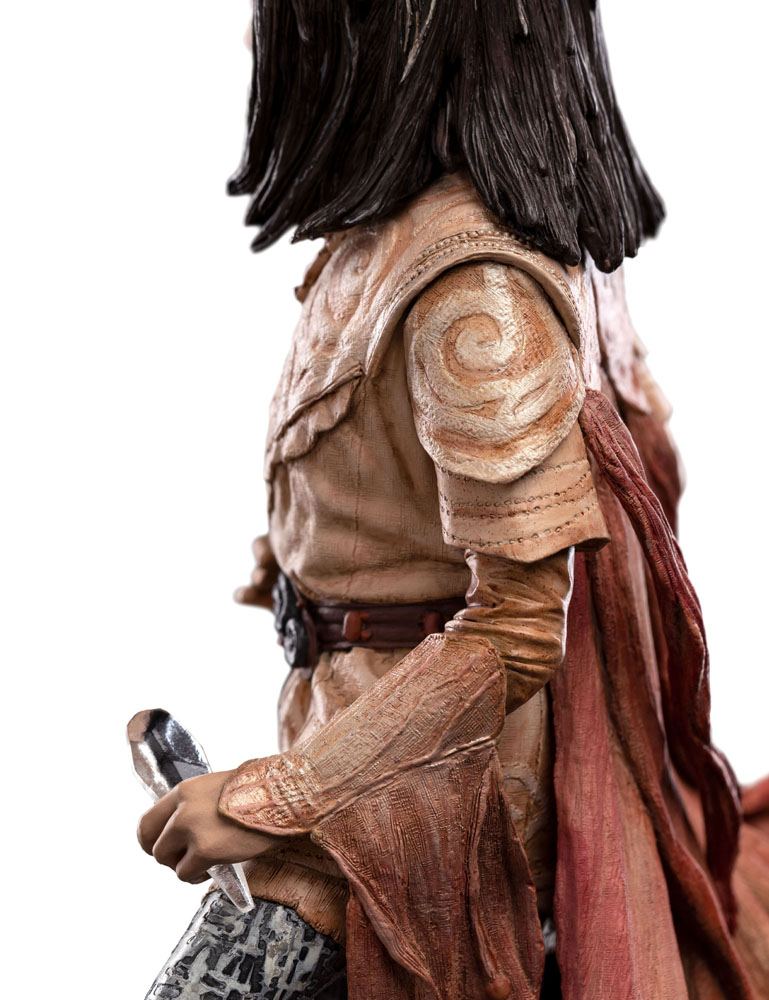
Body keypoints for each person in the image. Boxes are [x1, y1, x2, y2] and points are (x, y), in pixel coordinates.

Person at [137, 3, 769, 997]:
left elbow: (516, 628)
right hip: (353, 730)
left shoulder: (475, 286)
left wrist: (274, 798)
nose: (258, 35)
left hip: (437, 797)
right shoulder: (381, 244)